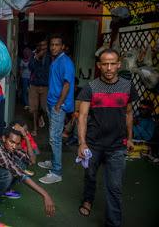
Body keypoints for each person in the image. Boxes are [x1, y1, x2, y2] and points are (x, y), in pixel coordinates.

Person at [77, 48, 137, 226]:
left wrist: (130, 138)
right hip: (93, 144)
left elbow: (128, 114)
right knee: (90, 176)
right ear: (99, 66)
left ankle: (113, 223)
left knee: (115, 187)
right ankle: (88, 200)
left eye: (112, 64)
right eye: (105, 64)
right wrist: (82, 143)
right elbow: (82, 116)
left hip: (117, 146)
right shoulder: (91, 87)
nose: (109, 68)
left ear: (119, 65)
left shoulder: (127, 86)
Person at [0, 126, 55, 218]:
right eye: (11, 142)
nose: (14, 146)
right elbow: (18, 173)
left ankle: (5, 189)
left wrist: (27, 138)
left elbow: (31, 160)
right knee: (7, 173)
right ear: (4, 138)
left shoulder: (10, 146)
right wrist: (45, 194)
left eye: (17, 143)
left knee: (22, 164)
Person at [38, 34, 75, 184]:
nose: (54, 47)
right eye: (52, 44)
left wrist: (59, 104)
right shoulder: (56, 60)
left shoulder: (65, 62)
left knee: (55, 138)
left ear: (63, 46)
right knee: (53, 136)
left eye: (57, 45)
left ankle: (56, 172)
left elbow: (67, 84)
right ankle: (54, 163)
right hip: (52, 103)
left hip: (58, 105)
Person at [28, 36, 51, 136]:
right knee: (34, 108)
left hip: (46, 86)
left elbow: (49, 70)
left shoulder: (50, 56)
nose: (43, 47)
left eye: (45, 45)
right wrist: (36, 58)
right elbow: (30, 68)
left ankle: (40, 116)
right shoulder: (34, 55)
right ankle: (35, 128)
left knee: (44, 107)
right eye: (41, 45)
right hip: (34, 85)